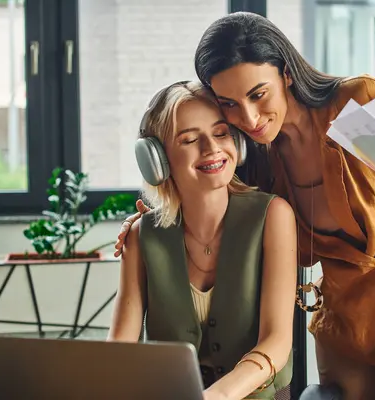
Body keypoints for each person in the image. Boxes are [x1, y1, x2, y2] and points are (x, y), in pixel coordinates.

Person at [115, 12, 375, 400]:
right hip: (348, 328)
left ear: (286, 73)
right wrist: (153, 223)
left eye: (258, 94)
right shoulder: (259, 157)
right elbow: (219, 206)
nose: (249, 118)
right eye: (229, 103)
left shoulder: (358, 103)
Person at [107, 80, 297, 400]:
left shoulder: (272, 216)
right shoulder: (142, 236)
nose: (211, 148)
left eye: (221, 133)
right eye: (190, 139)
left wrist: (218, 396)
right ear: (158, 161)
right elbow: (118, 352)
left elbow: (277, 341)